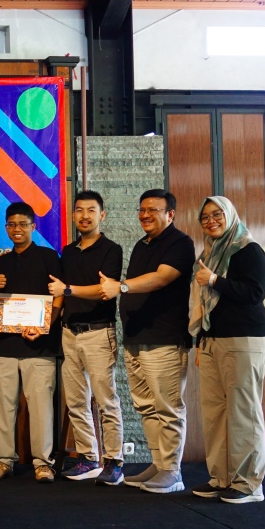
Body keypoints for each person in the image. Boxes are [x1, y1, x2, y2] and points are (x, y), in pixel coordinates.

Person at [100, 189, 195, 494]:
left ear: (170, 214)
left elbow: (162, 278)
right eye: (142, 210)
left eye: (153, 210)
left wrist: (121, 287)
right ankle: (158, 464)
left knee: (168, 408)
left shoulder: (180, 243)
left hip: (164, 339)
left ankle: (172, 472)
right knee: (146, 407)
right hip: (136, 338)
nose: (145, 215)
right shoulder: (143, 244)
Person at [190, 197, 265, 504]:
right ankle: (222, 478)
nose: (211, 221)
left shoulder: (247, 249)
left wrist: (215, 280)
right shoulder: (208, 253)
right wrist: (200, 343)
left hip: (245, 340)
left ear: (229, 215)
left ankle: (249, 484)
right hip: (213, 341)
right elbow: (204, 306)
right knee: (215, 413)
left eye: (217, 215)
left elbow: (255, 293)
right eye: (205, 217)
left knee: (243, 412)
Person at [47, 191, 126, 486]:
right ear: (73, 215)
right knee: (77, 401)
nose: (84, 216)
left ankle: (114, 461)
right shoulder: (67, 252)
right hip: (69, 332)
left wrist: (68, 290)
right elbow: (58, 293)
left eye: (91, 210)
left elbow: (105, 290)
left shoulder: (111, 249)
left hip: (98, 333)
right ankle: (88, 458)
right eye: (79, 210)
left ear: (101, 215)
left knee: (106, 400)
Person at [0, 202, 63, 483]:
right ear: (6, 228)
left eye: (22, 224)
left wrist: (45, 326)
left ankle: (43, 463)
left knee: (41, 407)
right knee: (3, 407)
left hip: (40, 346)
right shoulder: (2, 260)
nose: (17, 229)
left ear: (33, 226)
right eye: (12, 225)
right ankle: (2, 460)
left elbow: (59, 297)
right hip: (6, 346)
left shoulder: (48, 256)